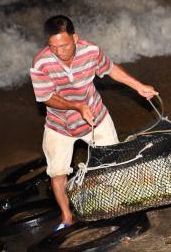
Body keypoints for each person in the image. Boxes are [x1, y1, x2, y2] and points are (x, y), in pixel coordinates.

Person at [30, 15, 158, 230]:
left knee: (113, 163)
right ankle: (66, 217)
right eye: (53, 47)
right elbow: (46, 97)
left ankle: (119, 203)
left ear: (75, 38)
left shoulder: (90, 51)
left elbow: (110, 69)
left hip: (96, 117)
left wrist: (138, 86)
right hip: (59, 125)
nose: (59, 52)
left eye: (64, 45)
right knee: (57, 174)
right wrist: (76, 106)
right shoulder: (41, 63)